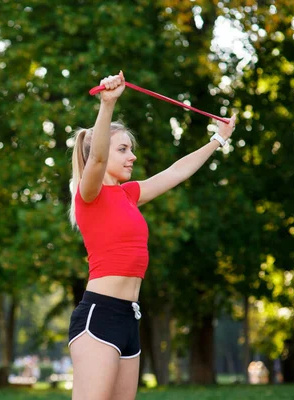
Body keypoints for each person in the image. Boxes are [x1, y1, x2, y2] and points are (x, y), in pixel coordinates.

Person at [67, 71, 236, 400]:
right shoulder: (88, 195)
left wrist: (218, 139)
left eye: (130, 149)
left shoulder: (129, 195)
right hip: (99, 316)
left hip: (129, 316)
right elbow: (98, 157)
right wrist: (108, 105)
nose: (132, 156)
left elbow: (176, 172)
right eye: (123, 149)